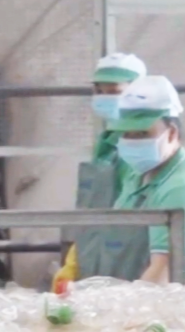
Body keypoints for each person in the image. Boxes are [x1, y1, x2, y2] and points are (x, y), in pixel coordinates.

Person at [108, 76, 185, 285]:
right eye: (127, 133)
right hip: (136, 299)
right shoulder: (139, 174)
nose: (132, 142)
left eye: (143, 133)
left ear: (172, 134)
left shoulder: (182, 189)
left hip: (178, 309)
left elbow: (163, 276)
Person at [57, 52, 149, 286]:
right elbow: (92, 209)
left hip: (129, 266)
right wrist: (74, 262)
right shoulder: (105, 144)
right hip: (95, 261)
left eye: (114, 91)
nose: (104, 98)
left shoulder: (144, 148)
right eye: (99, 91)